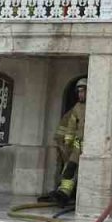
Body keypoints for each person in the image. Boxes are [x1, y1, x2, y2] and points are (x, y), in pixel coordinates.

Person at [42, 77, 86, 205]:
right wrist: (67, 143)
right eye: (79, 92)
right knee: (69, 168)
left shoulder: (96, 106)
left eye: (83, 91)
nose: (80, 94)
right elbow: (71, 127)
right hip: (78, 145)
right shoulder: (77, 107)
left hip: (93, 146)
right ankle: (64, 194)